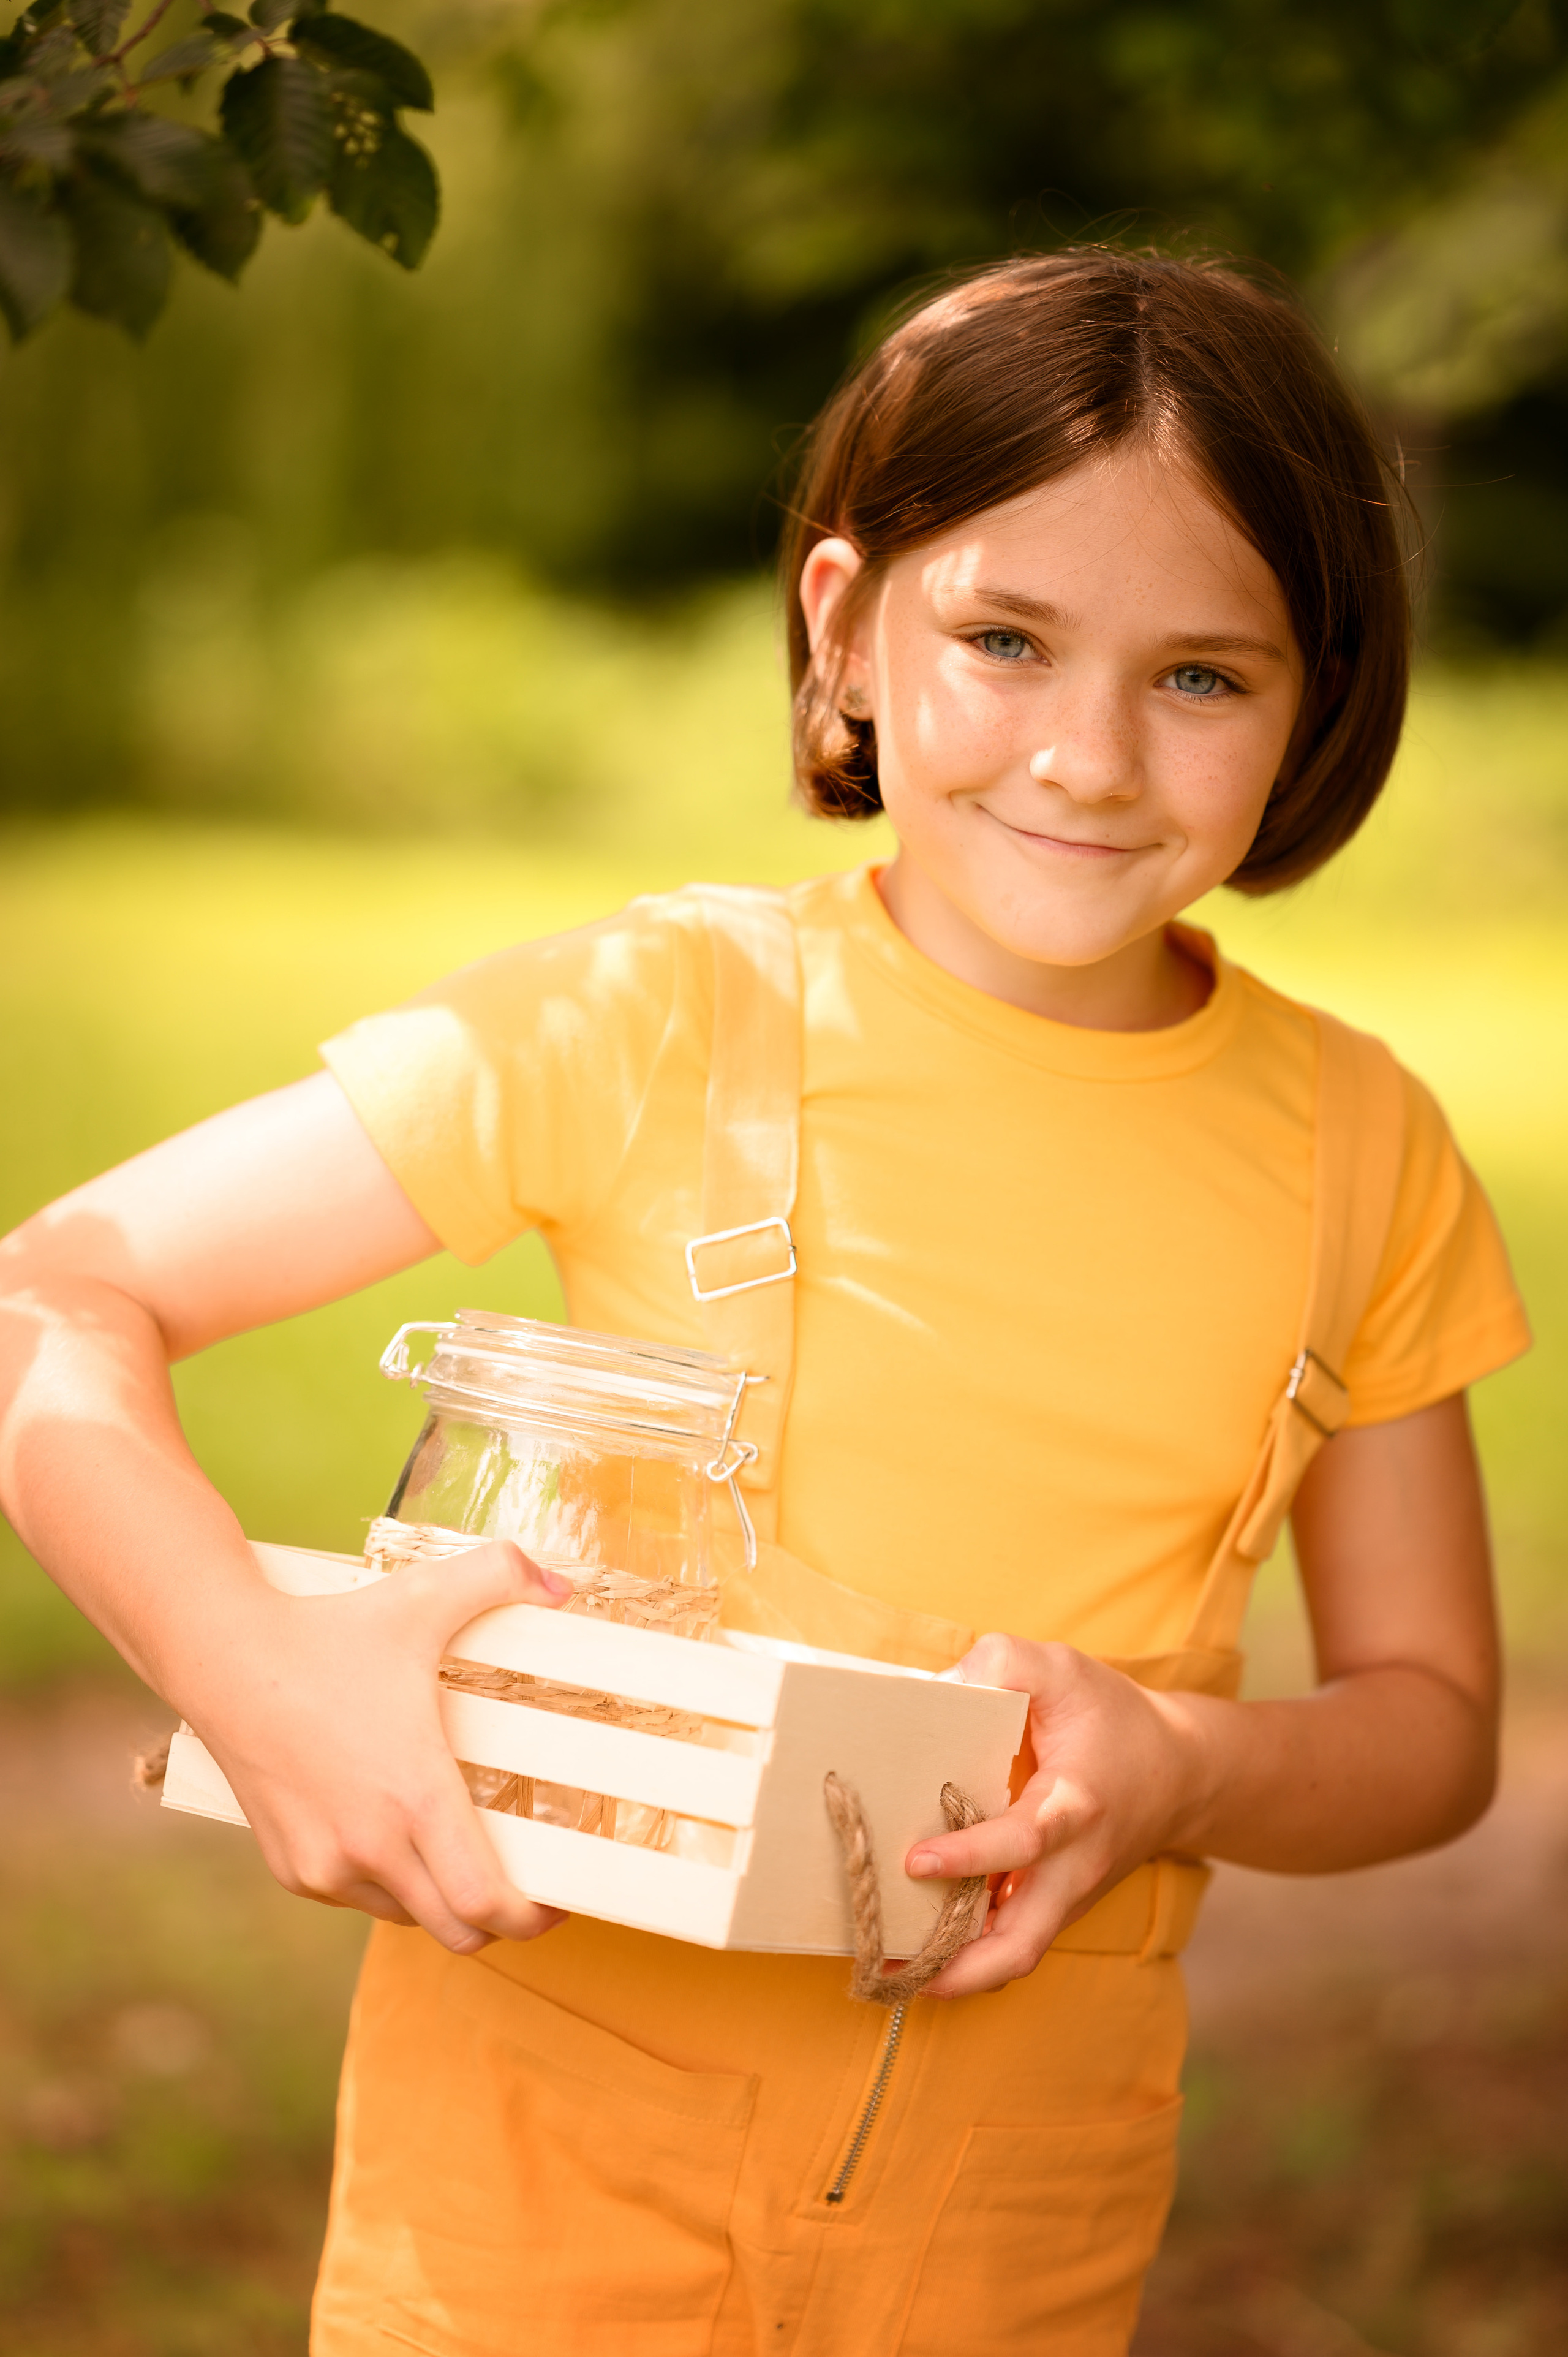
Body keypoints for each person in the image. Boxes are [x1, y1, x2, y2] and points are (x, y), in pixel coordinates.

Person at [0, 250, 1529, 2355]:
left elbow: (1435, 1731)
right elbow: (55, 1297)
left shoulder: (1368, 1152)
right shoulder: (648, 1018)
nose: (1087, 757)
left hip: (1019, 2213)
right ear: (847, 630)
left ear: (1319, 694)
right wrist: (252, 1674)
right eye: (1005, 639)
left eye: (1203, 676)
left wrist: (1179, 1763)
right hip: (528, 2188)